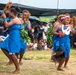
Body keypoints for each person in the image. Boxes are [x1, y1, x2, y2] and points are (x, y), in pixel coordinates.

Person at [0, 7, 22, 74]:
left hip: (15, 36)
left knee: (12, 52)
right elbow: (7, 25)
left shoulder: (15, 19)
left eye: (9, 12)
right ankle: (11, 59)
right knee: (2, 46)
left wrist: (4, 17)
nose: (8, 13)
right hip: (11, 36)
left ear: (12, 13)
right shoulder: (13, 19)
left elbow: (6, 25)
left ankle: (17, 68)